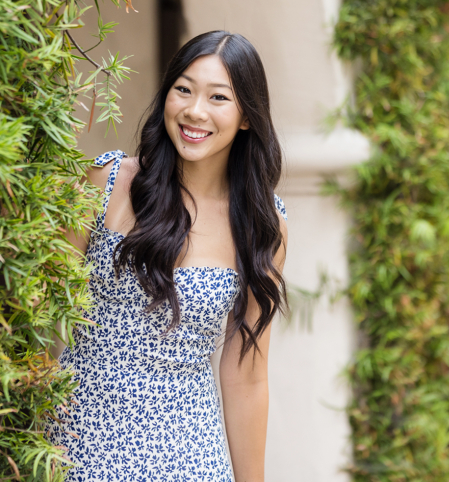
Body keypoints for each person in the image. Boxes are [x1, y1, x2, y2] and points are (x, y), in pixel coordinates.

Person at [48, 30, 289, 481]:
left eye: (218, 97)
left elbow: (247, 376)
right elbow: (38, 311)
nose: (195, 111)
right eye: (184, 89)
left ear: (246, 117)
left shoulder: (263, 224)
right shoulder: (109, 183)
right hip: (76, 446)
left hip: (190, 458)